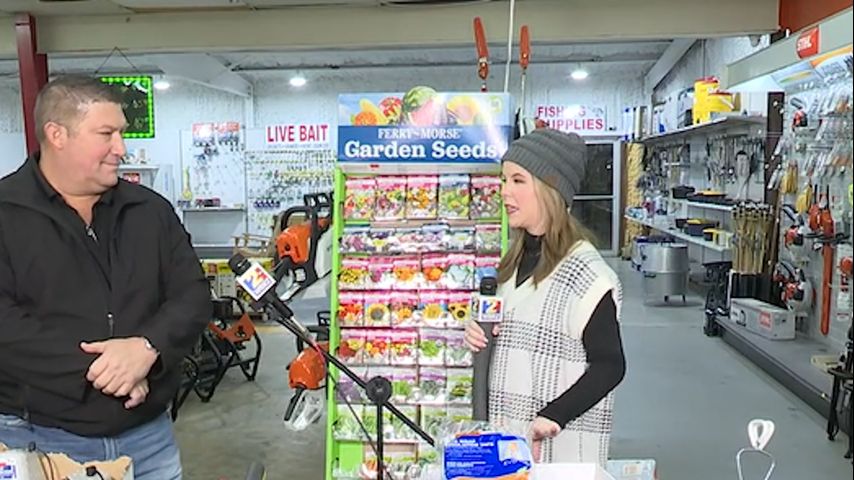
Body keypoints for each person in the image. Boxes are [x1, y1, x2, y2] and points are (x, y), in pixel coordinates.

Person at [0, 75, 212, 479]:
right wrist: (112, 372)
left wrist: (147, 348)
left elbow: (192, 295)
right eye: (106, 134)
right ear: (57, 135)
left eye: (121, 133)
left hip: (149, 440)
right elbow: (6, 326)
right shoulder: (6, 213)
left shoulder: (150, 211)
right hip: (40, 443)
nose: (121, 148)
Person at [464, 128, 626, 465]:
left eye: (517, 180)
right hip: (509, 444)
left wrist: (554, 416)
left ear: (550, 189)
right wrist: (480, 334)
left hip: (559, 453)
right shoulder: (512, 263)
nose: (504, 191)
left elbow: (610, 365)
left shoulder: (588, 275)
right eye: (503, 180)